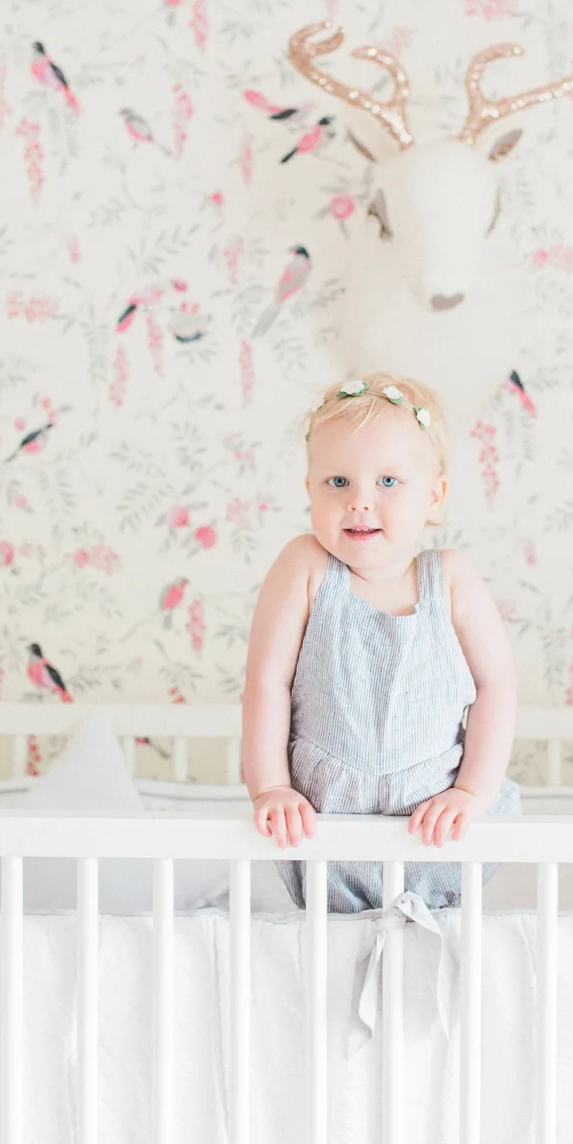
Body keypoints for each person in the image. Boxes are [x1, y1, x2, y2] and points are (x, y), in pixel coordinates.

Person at [241, 371, 520, 912]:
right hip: (322, 821)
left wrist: (470, 792)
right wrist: (270, 786)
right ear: (309, 489)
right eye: (337, 482)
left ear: (434, 496)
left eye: (388, 481)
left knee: (432, 948)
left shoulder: (451, 579)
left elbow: (497, 688)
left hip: (433, 823)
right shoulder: (306, 567)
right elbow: (265, 683)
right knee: (332, 947)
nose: (360, 501)